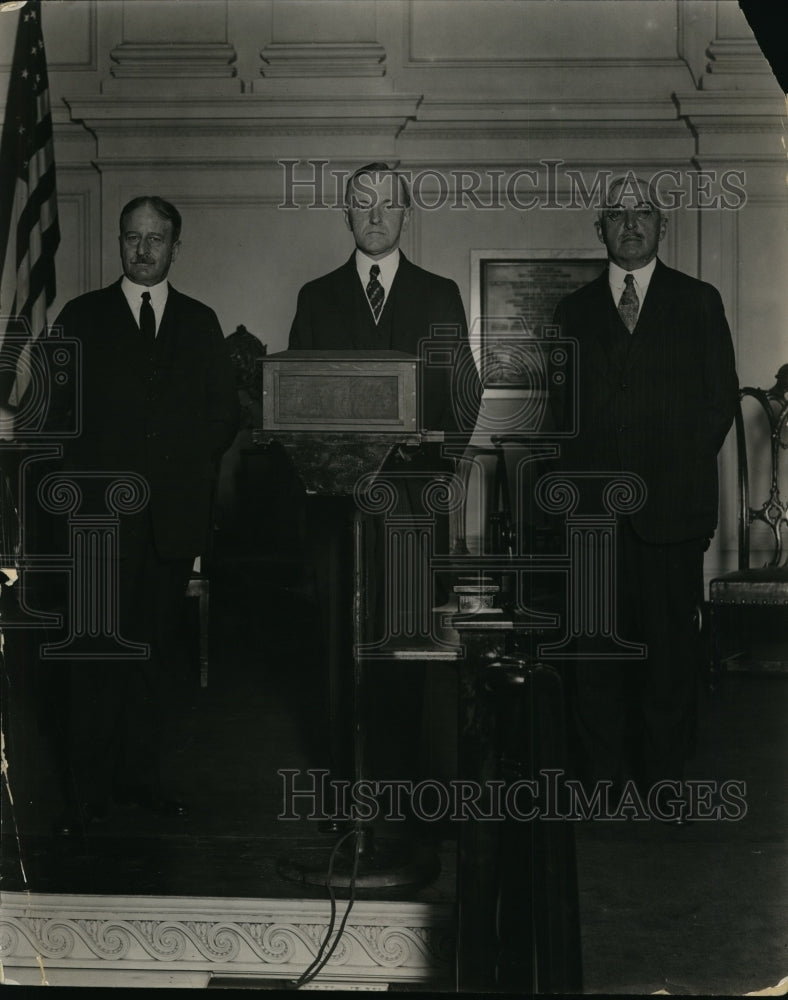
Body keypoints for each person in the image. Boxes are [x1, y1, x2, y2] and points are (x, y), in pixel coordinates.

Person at [45, 196, 239, 835]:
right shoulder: (81, 316)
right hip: (97, 524)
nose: (143, 249)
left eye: (156, 238)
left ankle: (142, 782)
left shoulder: (201, 322)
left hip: (171, 524)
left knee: (154, 659)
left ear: (176, 246)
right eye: (133, 237)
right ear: (120, 242)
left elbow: (224, 414)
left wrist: (181, 471)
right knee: (95, 658)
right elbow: (54, 414)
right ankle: (87, 793)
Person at [288, 163, 481, 798]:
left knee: (406, 641)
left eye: (388, 204)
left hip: (413, 507)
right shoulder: (316, 297)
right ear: (346, 215)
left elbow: (464, 394)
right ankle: (346, 787)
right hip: (335, 511)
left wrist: (433, 472)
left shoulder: (439, 294)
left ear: (405, 214)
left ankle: (402, 788)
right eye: (362, 203)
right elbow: (293, 402)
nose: (375, 215)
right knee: (337, 646)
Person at [552, 174, 738, 800]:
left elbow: (718, 403)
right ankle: (599, 781)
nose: (630, 224)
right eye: (616, 213)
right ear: (598, 228)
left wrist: (669, 471)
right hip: (593, 517)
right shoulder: (573, 311)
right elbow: (562, 415)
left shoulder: (699, 302)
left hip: (672, 512)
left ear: (663, 225)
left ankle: (662, 780)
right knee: (594, 653)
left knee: (669, 652)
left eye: (644, 213)